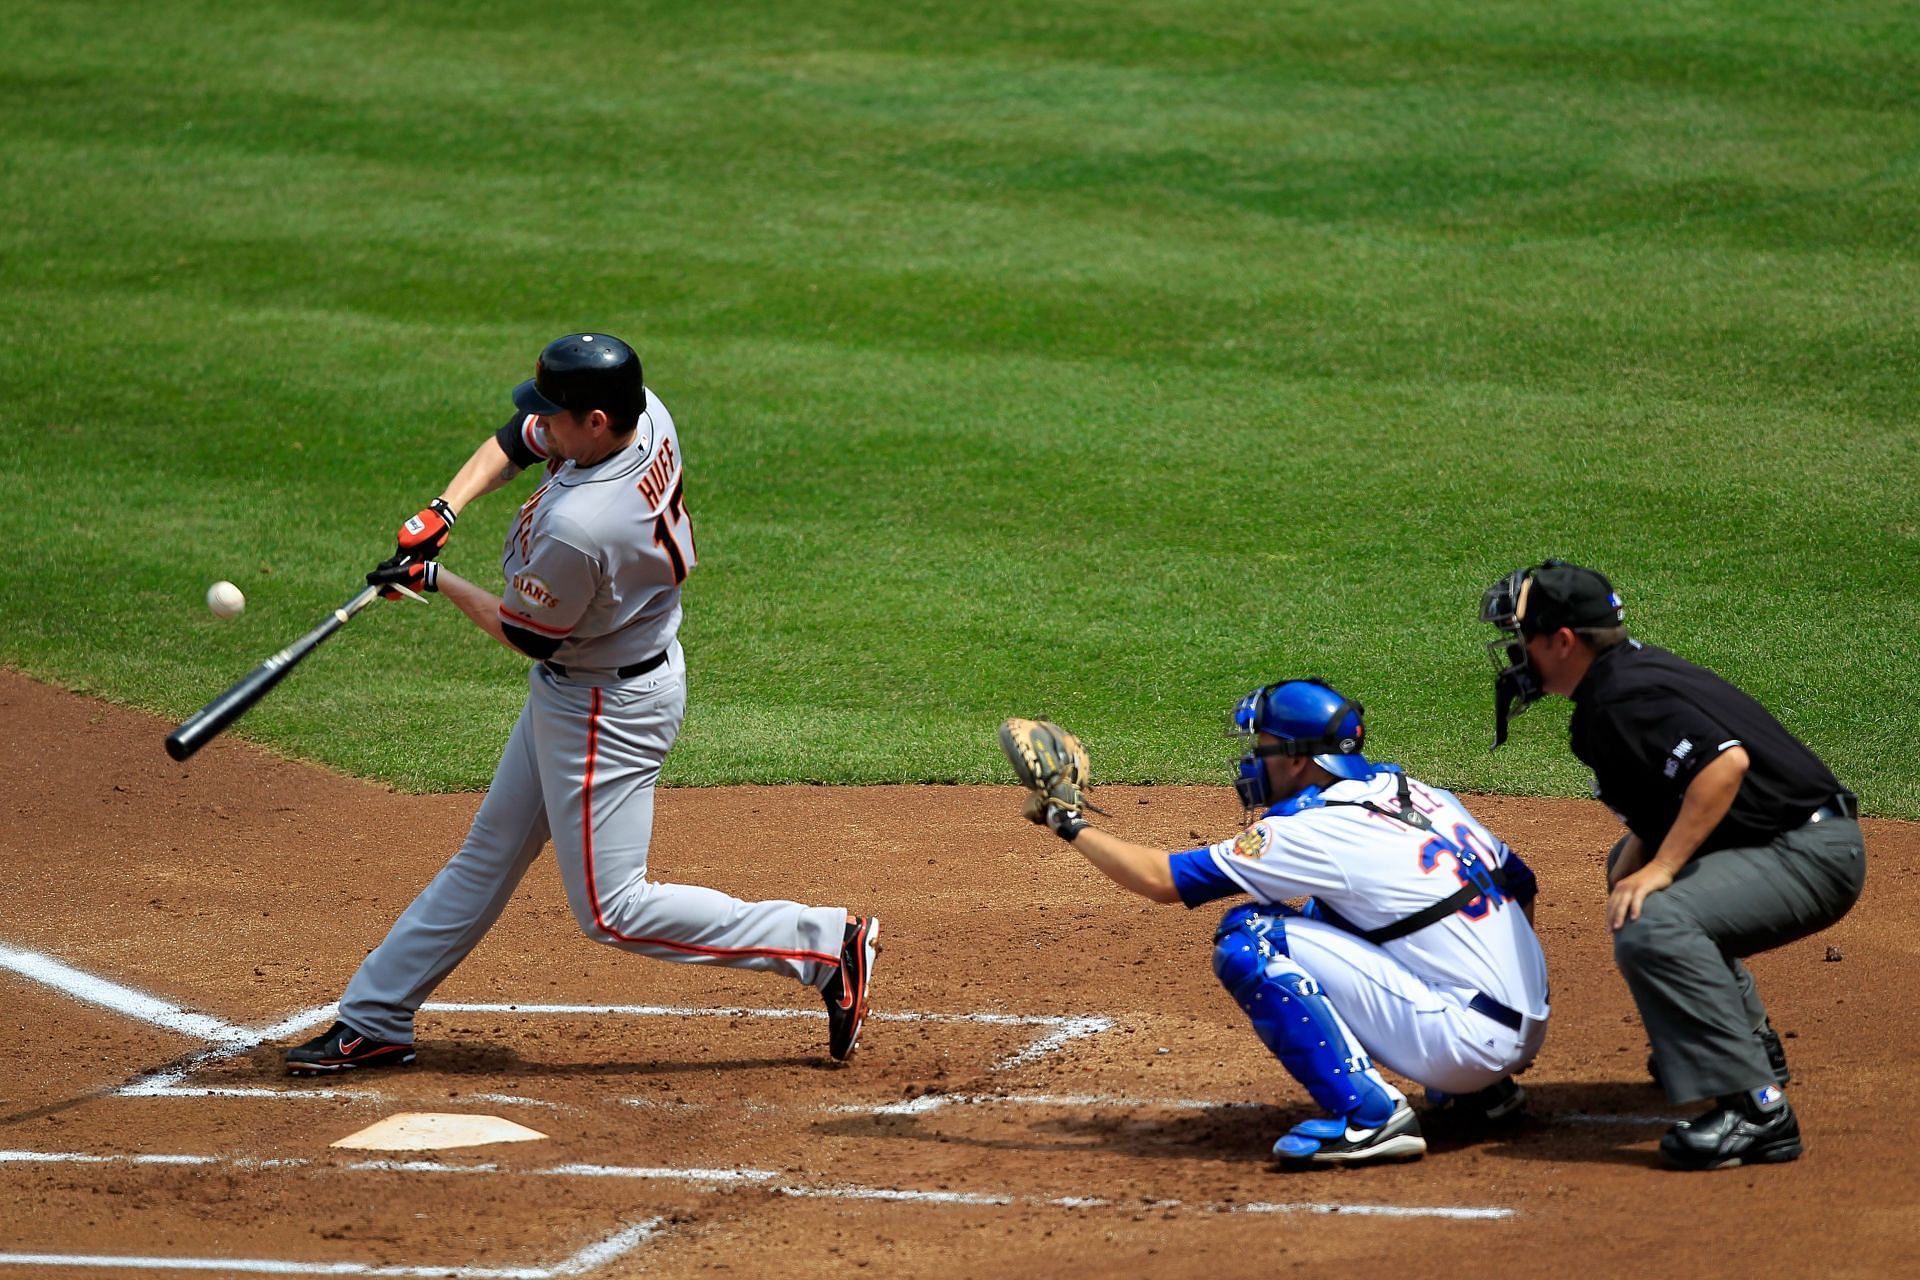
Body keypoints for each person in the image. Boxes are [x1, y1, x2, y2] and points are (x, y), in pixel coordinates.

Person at [285, 333, 878, 1073]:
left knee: (612, 911)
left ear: (595, 421)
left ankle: (825, 947)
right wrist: (444, 507)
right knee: (488, 856)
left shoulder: (584, 527)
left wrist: (437, 582)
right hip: (595, 678)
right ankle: (376, 1018)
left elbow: (526, 634)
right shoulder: (643, 414)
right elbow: (516, 440)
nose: (545, 425)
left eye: (558, 415)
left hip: (606, 708)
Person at [1020, 679, 1549, 1167]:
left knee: (1249, 938)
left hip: (1465, 1043)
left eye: (1262, 747)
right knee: (1329, 912)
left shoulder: (1315, 830)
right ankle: (1483, 1091)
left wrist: (1065, 820)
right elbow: (1519, 884)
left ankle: (1369, 1119)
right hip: (1518, 1024)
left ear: (1299, 761)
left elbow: (1163, 879)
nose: (1252, 761)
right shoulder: (1416, 792)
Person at [1480, 559, 1866, 1170]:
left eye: (1521, 637)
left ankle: (1755, 1111)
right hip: (1794, 837)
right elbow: (1668, 797)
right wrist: (1641, 857)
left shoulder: (1624, 697)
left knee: (1653, 919)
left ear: (1561, 641)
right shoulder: (1622, 677)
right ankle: (1748, 1047)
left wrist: (1663, 869)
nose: (1515, 654)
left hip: (1811, 855)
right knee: (1627, 870)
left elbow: (1723, 766)